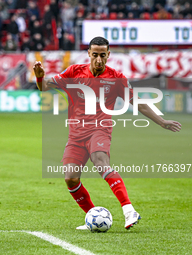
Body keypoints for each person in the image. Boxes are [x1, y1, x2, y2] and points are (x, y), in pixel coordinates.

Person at [33, 36, 182, 230]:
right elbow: (44, 87)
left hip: (100, 130)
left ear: (108, 55)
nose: (98, 59)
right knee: (70, 178)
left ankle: (129, 210)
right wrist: (39, 76)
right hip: (76, 135)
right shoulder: (74, 72)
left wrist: (161, 121)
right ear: (88, 54)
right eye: (95, 55)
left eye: (103, 55)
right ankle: (92, 217)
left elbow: (137, 102)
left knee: (100, 161)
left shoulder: (116, 78)